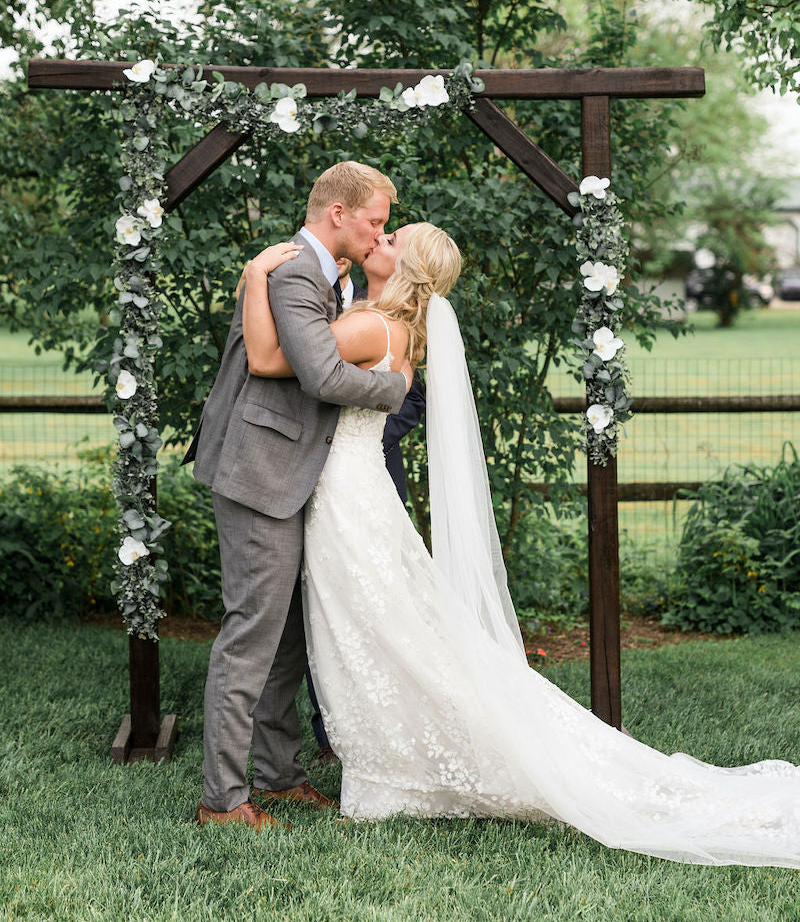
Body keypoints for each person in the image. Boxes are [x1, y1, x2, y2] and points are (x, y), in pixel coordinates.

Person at [243, 222, 800, 868]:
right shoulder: (388, 322)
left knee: (375, 631)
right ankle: (388, 761)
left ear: (408, 265)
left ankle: (394, 765)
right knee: (376, 631)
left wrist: (256, 278)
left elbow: (274, 358)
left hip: (346, 497)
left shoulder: (371, 328)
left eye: (395, 235)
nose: (383, 235)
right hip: (353, 493)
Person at [184, 161, 413, 831]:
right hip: (260, 472)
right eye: (374, 219)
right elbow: (317, 372)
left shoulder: (329, 277)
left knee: (284, 640)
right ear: (337, 213)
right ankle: (222, 801)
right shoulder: (290, 272)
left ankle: (279, 777)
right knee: (251, 636)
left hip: (293, 472)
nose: (380, 232)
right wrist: (397, 388)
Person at [306, 241, 426, 763]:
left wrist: (359, 446)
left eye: (391, 237)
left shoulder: (406, 327)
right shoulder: (337, 295)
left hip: (361, 470)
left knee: (370, 604)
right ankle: (334, 726)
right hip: (315, 472)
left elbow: (409, 399)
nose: (379, 239)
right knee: (325, 603)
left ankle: (353, 736)